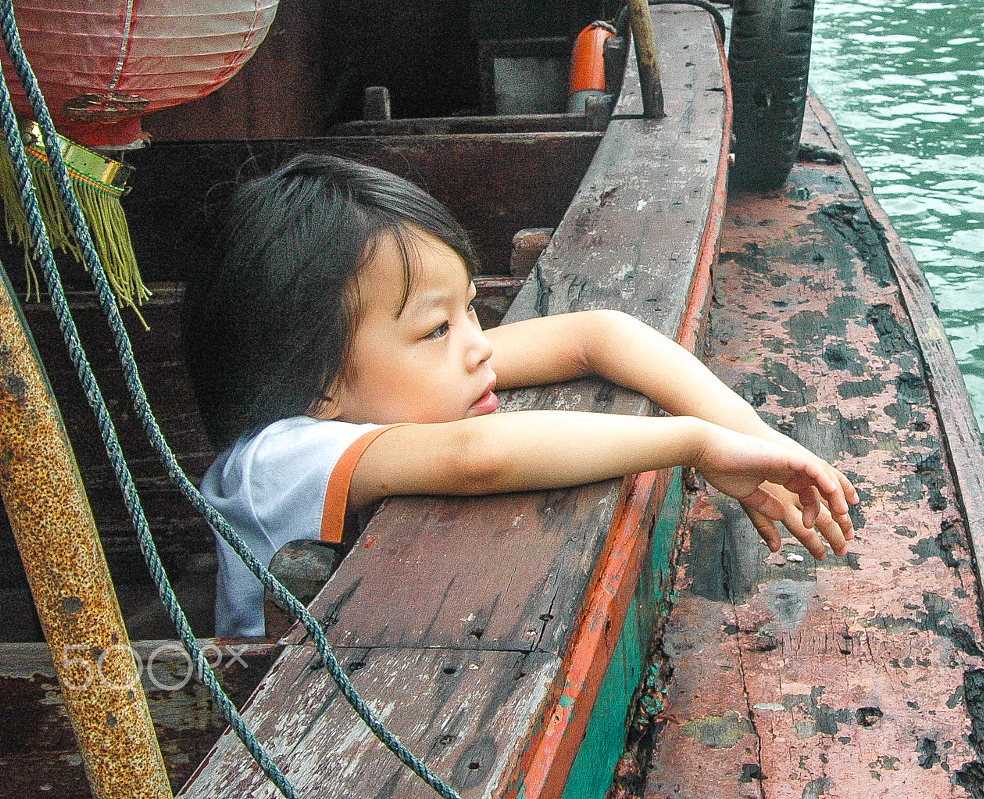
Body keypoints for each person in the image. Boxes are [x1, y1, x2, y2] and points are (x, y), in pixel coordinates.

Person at [183, 154, 858, 636]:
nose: (479, 346)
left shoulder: (400, 378)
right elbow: (479, 455)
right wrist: (696, 443)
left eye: (472, 310)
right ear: (320, 382)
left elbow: (600, 335)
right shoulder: (274, 461)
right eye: (438, 327)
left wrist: (763, 444)